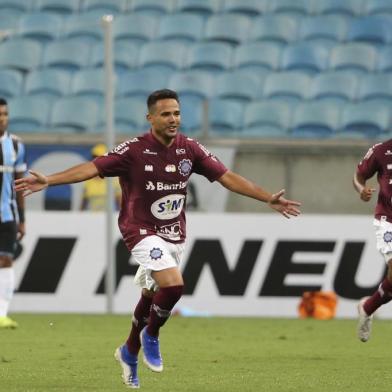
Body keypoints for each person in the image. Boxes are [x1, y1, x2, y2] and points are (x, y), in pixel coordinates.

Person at [15, 89, 301, 388]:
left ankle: (128, 351)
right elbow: (91, 168)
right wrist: (50, 179)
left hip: (174, 234)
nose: (173, 119)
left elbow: (227, 177)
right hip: (139, 229)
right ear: (150, 118)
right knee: (174, 284)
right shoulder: (133, 150)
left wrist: (268, 198)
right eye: (166, 114)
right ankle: (150, 335)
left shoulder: (190, 149)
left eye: (176, 113)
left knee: (152, 295)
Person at [353, 140, 392, 342]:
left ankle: (367, 307)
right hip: (388, 221)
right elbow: (359, 175)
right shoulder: (380, 151)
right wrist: (361, 189)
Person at [0, 98, 27, 329]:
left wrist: (23, 219)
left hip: (6, 215)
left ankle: (2, 313)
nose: (2, 118)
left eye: (5, 114)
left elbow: (19, 185)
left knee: (6, 259)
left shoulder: (16, 145)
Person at [80, 143, 121, 211]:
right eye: (94, 157)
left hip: (110, 219)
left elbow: (121, 204)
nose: (96, 161)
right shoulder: (87, 181)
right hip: (91, 219)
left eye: (99, 158)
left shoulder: (114, 180)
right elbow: (83, 204)